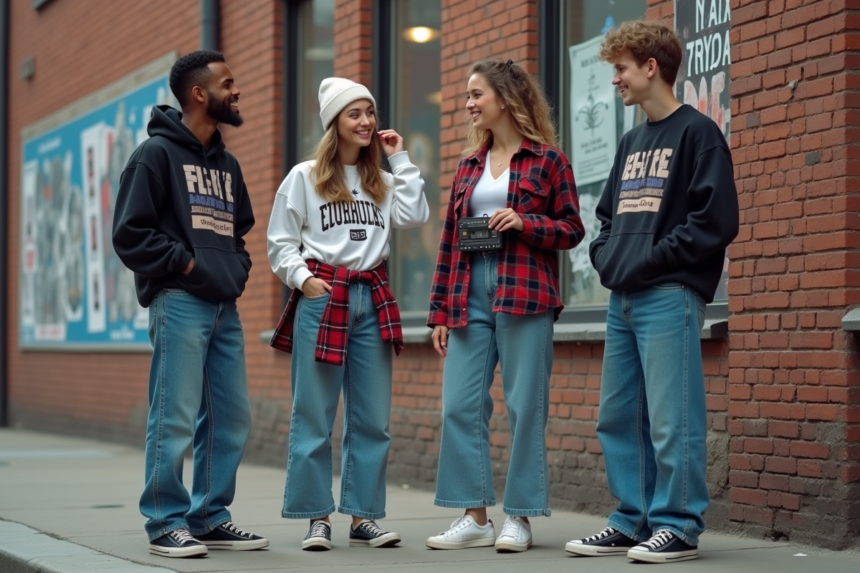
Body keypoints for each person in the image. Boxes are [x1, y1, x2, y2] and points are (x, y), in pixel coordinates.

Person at [564, 21, 739, 564]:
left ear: (650, 68)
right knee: (617, 416)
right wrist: (607, 259)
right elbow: (607, 218)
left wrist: (648, 260)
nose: (614, 79)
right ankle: (631, 519)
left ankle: (678, 524)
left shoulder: (698, 134)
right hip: (625, 297)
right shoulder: (632, 140)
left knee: (672, 419)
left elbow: (716, 221)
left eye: (620, 69)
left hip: (669, 293)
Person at [425, 59, 585, 553]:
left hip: (525, 290)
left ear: (506, 97)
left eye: (476, 94)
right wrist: (438, 312)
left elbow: (573, 230)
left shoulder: (548, 160)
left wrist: (526, 223)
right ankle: (474, 517)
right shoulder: (468, 166)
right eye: (468, 95)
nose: (469, 103)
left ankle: (519, 517)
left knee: (524, 406)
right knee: (459, 405)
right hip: (469, 289)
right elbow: (450, 240)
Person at [112, 51, 267, 558]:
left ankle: (208, 517)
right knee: (174, 415)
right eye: (228, 82)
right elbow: (130, 235)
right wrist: (186, 265)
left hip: (224, 306)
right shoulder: (153, 156)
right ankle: (164, 522)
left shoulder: (228, 163)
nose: (236, 89)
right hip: (178, 301)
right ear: (200, 94)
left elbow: (239, 235)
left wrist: (234, 272)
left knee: (230, 415)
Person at [267, 77, 429, 551]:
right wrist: (305, 281)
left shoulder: (381, 181)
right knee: (314, 414)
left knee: (372, 418)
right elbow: (280, 243)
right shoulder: (304, 176)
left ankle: (363, 517)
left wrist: (400, 158)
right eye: (354, 114)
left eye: (370, 113)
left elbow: (416, 215)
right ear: (334, 122)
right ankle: (316, 518)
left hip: (372, 297)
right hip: (325, 297)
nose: (365, 122)